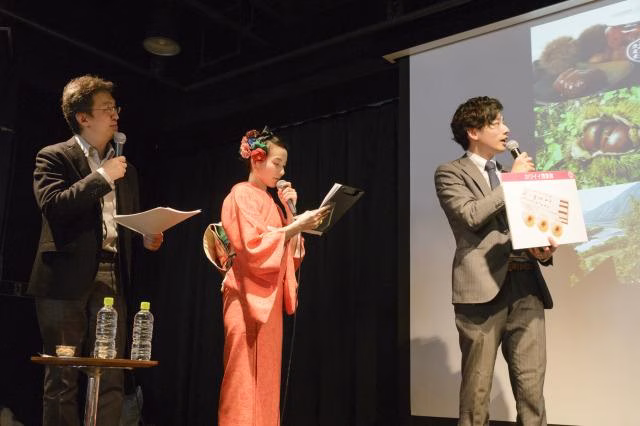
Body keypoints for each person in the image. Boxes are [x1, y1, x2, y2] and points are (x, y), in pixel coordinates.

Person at [28, 75, 163, 426]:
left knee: (110, 371)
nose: (115, 114)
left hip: (110, 273)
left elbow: (122, 222)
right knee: (62, 375)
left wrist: (146, 236)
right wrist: (102, 177)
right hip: (63, 279)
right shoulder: (54, 157)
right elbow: (54, 207)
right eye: (106, 108)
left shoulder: (126, 170)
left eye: (116, 107)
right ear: (83, 117)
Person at [434, 96, 558, 425]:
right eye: (496, 123)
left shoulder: (508, 175)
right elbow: (471, 215)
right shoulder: (450, 173)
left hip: (526, 285)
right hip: (481, 290)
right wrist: (513, 182)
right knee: (477, 393)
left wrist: (541, 249)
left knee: (532, 392)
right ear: (473, 131)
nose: (506, 130)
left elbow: (527, 226)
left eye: (503, 122)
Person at [217, 128, 329, 426]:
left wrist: (292, 217)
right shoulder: (241, 194)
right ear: (256, 160)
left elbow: (289, 254)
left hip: (269, 298)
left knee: (266, 380)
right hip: (246, 296)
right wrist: (295, 226)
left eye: (283, 165)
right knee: (243, 377)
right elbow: (251, 246)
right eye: (277, 163)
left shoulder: (273, 203)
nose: (282, 171)